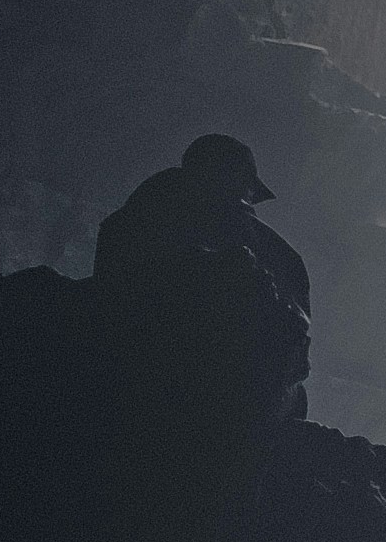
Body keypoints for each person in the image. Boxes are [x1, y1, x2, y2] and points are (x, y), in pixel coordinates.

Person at [92, 131, 313, 427]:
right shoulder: (273, 251)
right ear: (247, 187)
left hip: (128, 377)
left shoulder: (135, 216)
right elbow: (291, 345)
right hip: (218, 402)